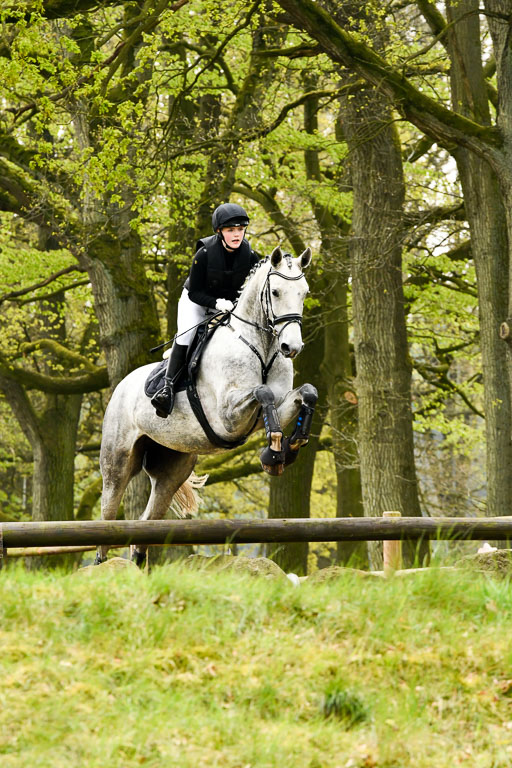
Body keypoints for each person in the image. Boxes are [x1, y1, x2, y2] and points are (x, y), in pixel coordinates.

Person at [151, 203, 260, 418]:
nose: (237, 234)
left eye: (240, 229)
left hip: (229, 308)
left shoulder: (251, 257)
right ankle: (167, 388)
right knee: (186, 336)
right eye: (231, 230)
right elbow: (195, 293)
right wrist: (217, 303)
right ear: (220, 232)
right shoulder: (204, 254)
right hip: (197, 302)